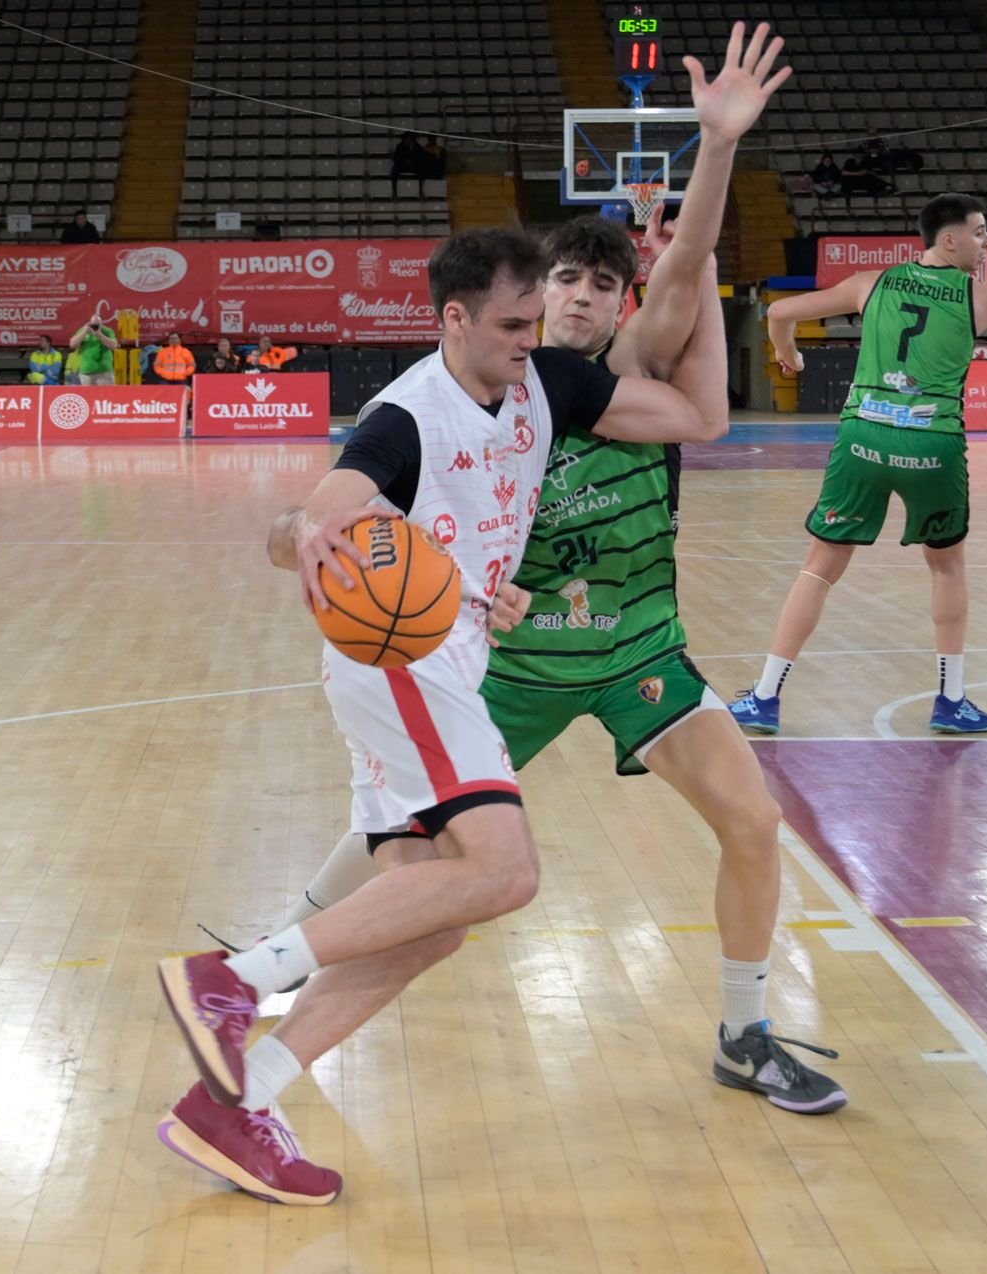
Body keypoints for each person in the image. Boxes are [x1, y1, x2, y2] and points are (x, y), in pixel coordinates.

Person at [269, 23, 838, 1121]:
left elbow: (680, 291)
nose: (577, 299)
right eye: (561, 280)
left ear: (623, 303)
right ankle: (281, 948)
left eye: (597, 283)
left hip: (634, 649)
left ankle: (744, 1028)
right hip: (507, 658)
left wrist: (713, 152)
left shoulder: (614, 375)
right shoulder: (482, 384)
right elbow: (377, 495)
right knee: (411, 856)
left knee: (753, 822)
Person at [153, 224, 724, 1206]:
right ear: (452, 319)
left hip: (440, 655)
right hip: (404, 663)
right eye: (508, 323)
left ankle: (237, 1101)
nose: (527, 337)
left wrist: (703, 264)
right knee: (504, 872)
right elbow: (318, 510)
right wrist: (304, 530)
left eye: (532, 319)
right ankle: (236, 979)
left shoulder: (544, 381)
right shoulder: (406, 415)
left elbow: (699, 415)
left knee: (429, 920)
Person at [727, 193, 987, 736]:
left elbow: (781, 312)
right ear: (948, 239)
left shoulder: (870, 282)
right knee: (947, 567)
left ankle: (764, 696)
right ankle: (950, 699)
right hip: (933, 444)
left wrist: (788, 354)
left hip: (864, 436)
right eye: (980, 232)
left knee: (818, 567)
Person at [70, 311, 119, 385]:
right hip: (86, 374)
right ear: (89, 323)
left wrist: (99, 334)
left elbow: (114, 345)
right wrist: (84, 332)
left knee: (107, 396)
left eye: (97, 325)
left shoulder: (107, 331)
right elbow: (73, 345)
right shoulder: (83, 330)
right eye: (93, 324)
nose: (95, 327)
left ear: (101, 324)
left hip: (104, 373)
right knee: (87, 396)